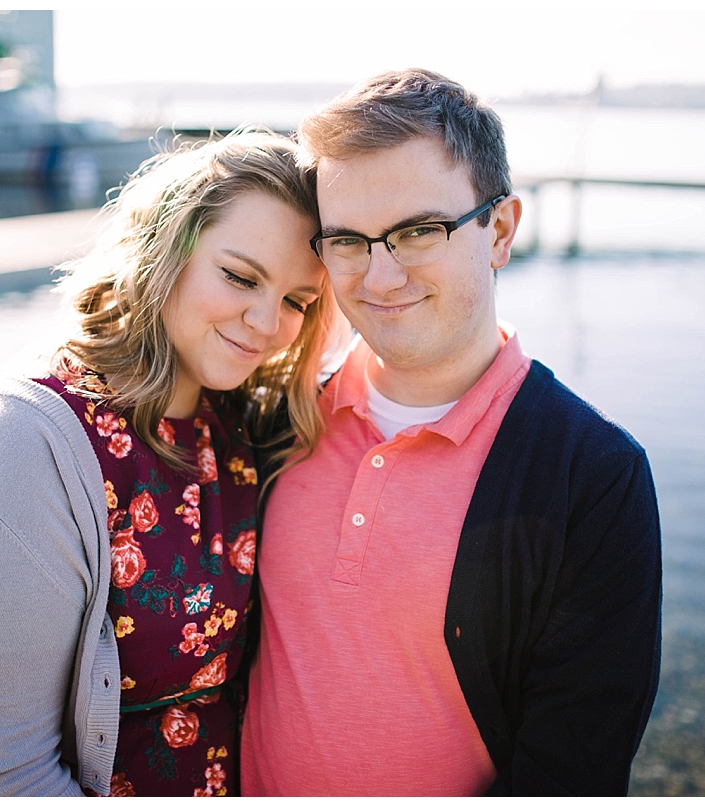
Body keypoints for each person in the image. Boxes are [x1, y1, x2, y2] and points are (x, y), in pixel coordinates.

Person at [239, 69, 663, 796]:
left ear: (498, 230)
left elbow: (572, 769)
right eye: (347, 240)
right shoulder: (277, 418)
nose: (379, 276)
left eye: (416, 232)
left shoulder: (591, 475)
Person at [0, 128, 347, 796]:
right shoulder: (24, 440)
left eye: (296, 302)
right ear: (166, 249)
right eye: (239, 275)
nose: (266, 322)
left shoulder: (236, 424)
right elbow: (5, 775)